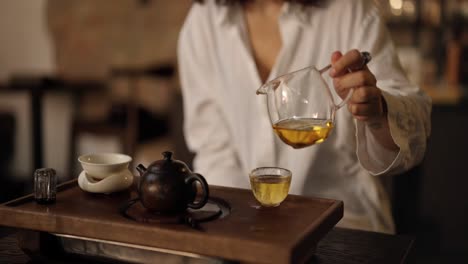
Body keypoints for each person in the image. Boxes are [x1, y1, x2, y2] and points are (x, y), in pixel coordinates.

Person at [177, 0, 431, 234]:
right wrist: (241, 235)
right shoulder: (204, 23)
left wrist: (378, 111)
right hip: (246, 234)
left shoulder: (350, 10)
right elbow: (216, 153)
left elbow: (415, 131)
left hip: (345, 229)